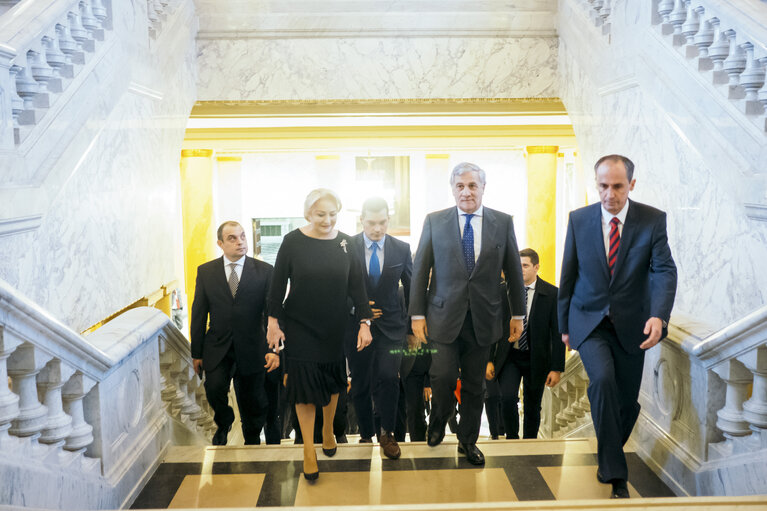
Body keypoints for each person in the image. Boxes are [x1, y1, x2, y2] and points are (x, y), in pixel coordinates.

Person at [558, 155, 677, 499]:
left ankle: (609, 440)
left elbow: (663, 271)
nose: (609, 194)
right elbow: (569, 272)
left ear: (631, 185)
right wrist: (564, 324)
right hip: (589, 320)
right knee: (603, 381)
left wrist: (659, 314)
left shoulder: (651, 220)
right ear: (596, 184)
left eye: (617, 186)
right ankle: (615, 474)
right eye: (603, 186)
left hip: (631, 323)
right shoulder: (579, 219)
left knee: (625, 401)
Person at [409, 161, 526, 465]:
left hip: (484, 319)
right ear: (453, 189)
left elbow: (514, 271)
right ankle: (438, 421)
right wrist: (416, 315)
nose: (466, 192)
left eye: (472, 185)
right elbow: (421, 269)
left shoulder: (502, 222)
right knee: (443, 377)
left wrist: (518, 315)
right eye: (460, 186)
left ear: (483, 188)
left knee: (476, 386)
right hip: (442, 317)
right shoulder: (435, 221)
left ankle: (468, 441)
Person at [266, 189, 373, 481]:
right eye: (320, 214)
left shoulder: (347, 243)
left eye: (332, 214)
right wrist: (273, 322)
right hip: (300, 325)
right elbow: (277, 286)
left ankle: (328, 431)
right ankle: (309, 449)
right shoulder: (292, 242)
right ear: (308, 214)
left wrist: (365, 323)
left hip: (335, 325)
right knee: (304, 385)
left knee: (332, 380)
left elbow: (358, 287)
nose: (327, 220)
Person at [190, 221, 279, 446]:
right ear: (220, 243)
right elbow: (199, 313)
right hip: (218, 346)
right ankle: (224, 421)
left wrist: (273, 350)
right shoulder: (206, 271)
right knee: (214, 388)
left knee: (254, 401)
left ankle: (252, 438)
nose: (240, 242)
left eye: (242, 236)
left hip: (253, 346)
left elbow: (273, 315)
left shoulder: (265, 271)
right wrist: (196, 353)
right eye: (232, 238)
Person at [344, 197, 412, 459]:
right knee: (360, 382)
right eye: (371, 223)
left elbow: (412, 286)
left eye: (382, 222)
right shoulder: (346, 245)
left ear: (388, 220)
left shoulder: (401, 249)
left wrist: (412, 326)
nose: (377, 228)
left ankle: (387, 432)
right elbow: (338, 286)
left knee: (388, 376)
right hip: (355, 326)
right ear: (361, 220)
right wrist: (358, 308)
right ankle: (364, 433)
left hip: (392, 327)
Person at [487, 249, 565, 439]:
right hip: (510, 357)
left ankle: (530, 442)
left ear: (536, 267)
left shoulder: (552, 294)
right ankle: (512, 439)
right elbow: (492, 327)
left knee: (532, 405)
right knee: (506, 398)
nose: (520, 269)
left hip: (536, 358)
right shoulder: (502, 291)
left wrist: (556, 368)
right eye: (517, 265)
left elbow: (557, 333)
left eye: (525, 265)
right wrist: (488, 359)